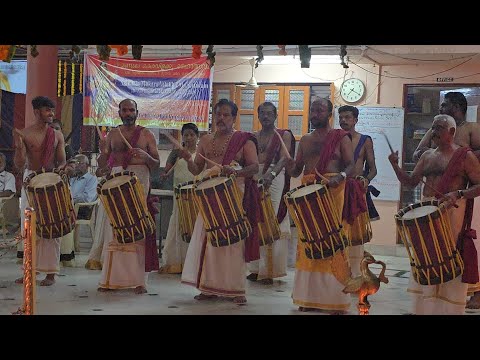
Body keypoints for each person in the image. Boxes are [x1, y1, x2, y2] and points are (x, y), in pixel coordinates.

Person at [389, 114, 480, 314]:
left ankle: (450, 308)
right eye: (433, 127)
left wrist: (459, 193)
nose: (434, 132)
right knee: (425, 255)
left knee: (448, 254)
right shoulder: (426, 155)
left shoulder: (465, 156)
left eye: (438, 128)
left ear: (452, 132)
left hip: (452, 212)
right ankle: (424, 307)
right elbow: (411, 181)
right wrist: (395, 166)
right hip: (426, 212)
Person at [179, 99, 260, 304]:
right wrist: (188, 159)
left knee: (233, 241)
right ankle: (208, 287)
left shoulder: (244, 140)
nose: (221, 118)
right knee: (208, 240)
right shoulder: (205, 140)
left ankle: (236, 289)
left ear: (234, 118)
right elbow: (197, 170)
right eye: (218, 114)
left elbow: (254, 168)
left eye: (226, 115)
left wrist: (236, 171)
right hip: (208, 196)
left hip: (234, 194)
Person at [285, 97, 355, 313]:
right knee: (308, 243)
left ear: (329, 113)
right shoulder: (305, 140)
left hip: (333, 191)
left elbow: (351, 165)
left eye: (319, 110)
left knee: (332, 242)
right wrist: (289, 166)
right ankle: (307, 298)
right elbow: (297, 171)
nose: (315, 114)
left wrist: (340, 177)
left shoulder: (341, 137)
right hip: (308, 194)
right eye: (312, 110)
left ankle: (334, 300)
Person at [412, 91, 480, 309]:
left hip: (463, 193)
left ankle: (471, 292)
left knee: (460, 244)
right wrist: (438, 153)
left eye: (445, 105)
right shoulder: (437, 128)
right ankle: (429, 297)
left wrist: (460, 156)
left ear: (459, 106)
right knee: (429, 248)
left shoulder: (472, 128)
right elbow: (418, 152)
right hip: (436, 195)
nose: (441, 108)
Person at [96, 98, 160, 294]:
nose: (128, 113)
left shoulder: (147, 134)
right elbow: (101, 166)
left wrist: (146, 157)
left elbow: (156, 164)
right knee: (114, 229)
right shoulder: (113, 135)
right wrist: (102, 152)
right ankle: (112, 279)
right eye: (124, 110)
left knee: (138, 227)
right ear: (119, 113)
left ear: (137, 112)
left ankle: (140, 281)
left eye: (131, 110)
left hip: (139, 181)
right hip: (116, 180)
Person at [13, 96, 66, 286]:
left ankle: (51, 273)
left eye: (52, 110)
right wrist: (19, 146)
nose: (51, 114)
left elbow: (61, 161)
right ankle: (30, 271)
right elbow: (19, 165)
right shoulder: (25, 134)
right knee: (29, 227)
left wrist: (59, 172)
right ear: (36, 112)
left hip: (51, 181)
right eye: (47, 110)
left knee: (52, 226)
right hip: (31, 181)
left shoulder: (57, 135)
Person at [247, 102, 295, 285]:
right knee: (255, 219)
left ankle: (269, 270)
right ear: (258, 116)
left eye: (269, 113)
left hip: (275, 177)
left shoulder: (283, 135)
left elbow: (285, 157)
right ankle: (255, 268)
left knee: (270, 219)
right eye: (262, 113)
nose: (265, 116)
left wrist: (272, 174)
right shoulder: (253, 136)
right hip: (256, 176)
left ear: (275, 115)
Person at [338, 105, 378, 277]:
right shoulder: (335, 138)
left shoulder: (365, 140)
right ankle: (338, 273)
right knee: (338, 233)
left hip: (356, 191)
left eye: (347, 117)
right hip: (337, 191)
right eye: (341, 117)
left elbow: (373, 169)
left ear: (355, 120)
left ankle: (355, 275)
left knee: (355, 236)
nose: (344, 120)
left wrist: (366, 180)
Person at [159, 123, 201, 274]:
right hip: (180, 195)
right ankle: (175, 262)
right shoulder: (176, 152)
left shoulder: (201, 153)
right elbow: (167, 170)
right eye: (186, 135)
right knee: (177, 224)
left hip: (196, 195)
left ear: (197, 137)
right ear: (182, 137)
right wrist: (164, 175)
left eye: (192, 135)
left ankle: (194, 262)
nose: (189, 138)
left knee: (195, 225)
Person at [59, 154, 98, 267]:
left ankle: (66, 252)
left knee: (63, 215)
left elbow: (88, 198)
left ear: (87, 165)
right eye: (75, 163)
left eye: (80, 163)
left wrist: (71, 198)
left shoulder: (91, 179)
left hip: (82, 209)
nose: (77, 166)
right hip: (70, 206)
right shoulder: (73, 178)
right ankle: (61, 249)